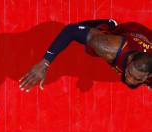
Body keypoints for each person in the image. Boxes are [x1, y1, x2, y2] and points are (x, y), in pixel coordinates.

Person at [20, 19, 151, 90]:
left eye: (137, 79)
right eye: (129, 73)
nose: (129, 80)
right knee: (90, 48)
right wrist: (44, 63)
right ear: (129, 61)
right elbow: (71, 30)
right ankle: (108, 25)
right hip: (130, 30)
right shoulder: (112, 49)